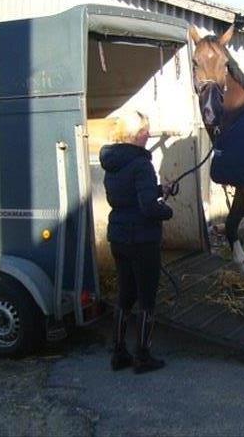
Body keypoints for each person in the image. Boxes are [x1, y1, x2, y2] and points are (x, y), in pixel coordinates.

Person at [100, 110, 173, 374]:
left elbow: (126, 195)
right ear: (137, 134)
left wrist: (157, 190)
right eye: (146, 130)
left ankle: (119, 353)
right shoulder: (142, 164)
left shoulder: (113, 161)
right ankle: (143, 356)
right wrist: (166, 210)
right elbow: (147, 209)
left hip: (119, 238)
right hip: (142, 240)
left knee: (125, 295)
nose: (148, 134)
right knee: (146, 298)